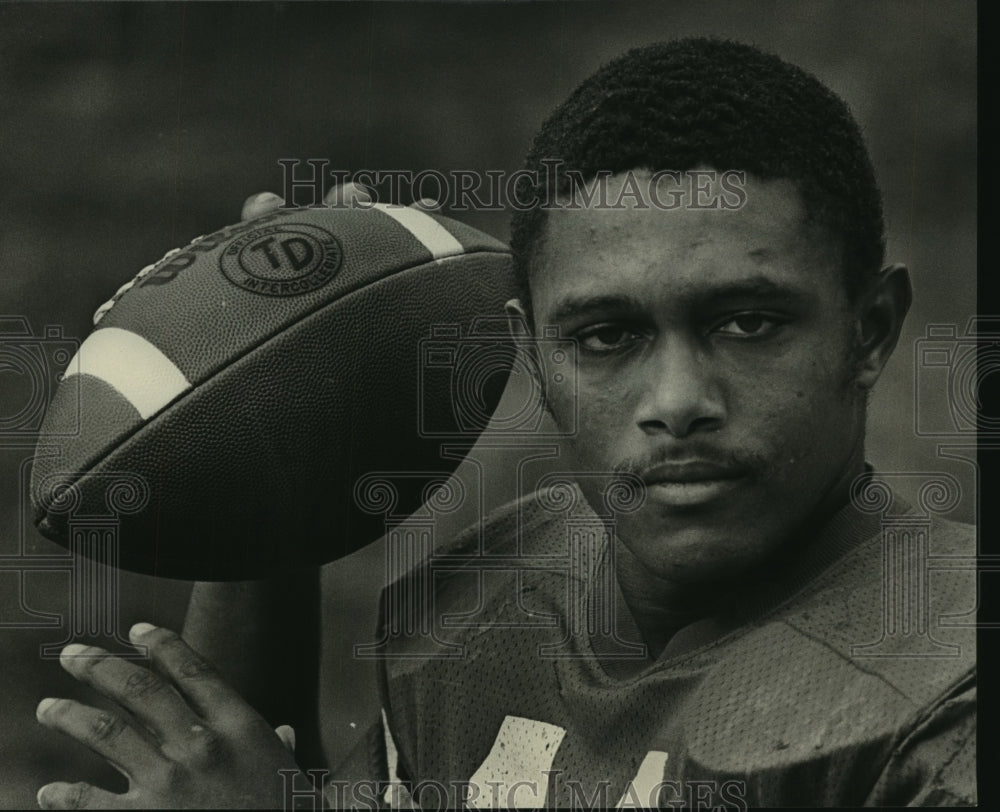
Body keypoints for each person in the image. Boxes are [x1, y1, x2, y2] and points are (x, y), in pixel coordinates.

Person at [33, 38, 975, 809]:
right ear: (532, 355)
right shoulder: (474, 607)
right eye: (607, 336)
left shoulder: (948, 688)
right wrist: (277, 420)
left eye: (747, 322)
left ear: (870, 330)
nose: (679, 399)